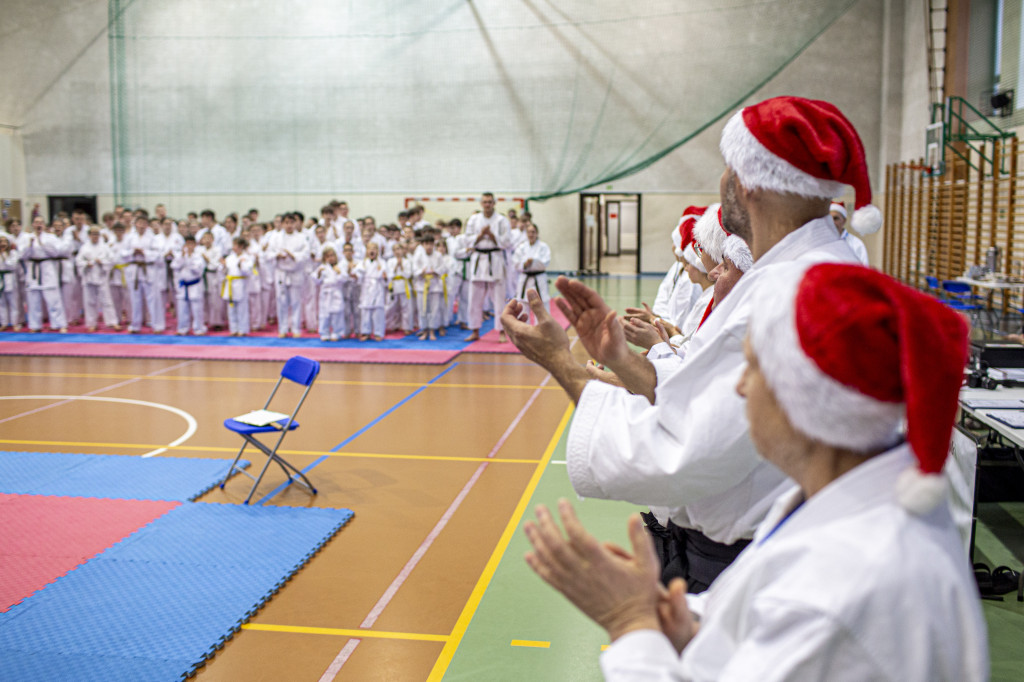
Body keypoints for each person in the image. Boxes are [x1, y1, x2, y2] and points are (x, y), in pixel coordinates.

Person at [522, 263, 988, 681]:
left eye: (751, 368)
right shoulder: (836, 502)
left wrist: (630, 620)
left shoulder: (851, 577)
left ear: (799, 397)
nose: (740, 388)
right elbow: (757, 612)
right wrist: (684, 620)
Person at [503, 96, 875, 591]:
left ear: (748, 184)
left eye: (727, 168)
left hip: (748, 563)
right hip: (775, 551)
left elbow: (685, 453)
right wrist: (615, 357)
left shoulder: (786, 294)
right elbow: (694, 392)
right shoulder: (808, 274)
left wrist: (560, 362)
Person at [465, 192, 512, 342]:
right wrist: (480, 235)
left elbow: (507, 242)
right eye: (485, 202)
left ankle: (502, 331)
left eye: (490, 202)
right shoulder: (474, 219)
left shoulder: (501, 220)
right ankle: (475, 330)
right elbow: (467, 241)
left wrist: (492, 236)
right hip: (479, 260)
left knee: (499, 299)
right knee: (474, 299)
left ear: (494, 203)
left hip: (495, 259)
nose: (487, 205)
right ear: (481, 203)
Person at [20, 216, 69, 333]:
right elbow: (22, 255)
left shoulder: (50, 238)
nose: (39, 225)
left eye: (41, 222)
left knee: (53, 299)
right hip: (33, 269)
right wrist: (30, 245)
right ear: (32, 224)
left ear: (44, 225)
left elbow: (56, 252)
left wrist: (42, 243)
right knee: (33, 300)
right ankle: (35, 325)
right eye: (36, 222)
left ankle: (59, 324)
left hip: (47, 267)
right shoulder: (27, 238)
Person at [271, 212, 309, 338]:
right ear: (282, 224)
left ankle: (296, 328)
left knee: (296, 302)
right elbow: (267, 254)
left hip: (295, 272)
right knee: (281, 301)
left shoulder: (302, 238)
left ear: (295, 223)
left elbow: (305, 254)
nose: (289, 225)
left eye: (291, 222)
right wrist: (277, 255)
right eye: (286, 223)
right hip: (281, 272)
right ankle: (282, 328)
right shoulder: (275, 237)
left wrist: (293, 255)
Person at [75, 225, 120, 331]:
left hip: (101, 276)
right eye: (93, 234)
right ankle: (92, 323)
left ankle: (112, 322)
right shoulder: (84, 247)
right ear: (89, 235)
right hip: (89, 277)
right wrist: (86, 264)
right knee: (90, 301)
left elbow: (112, 260)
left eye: (97, 234)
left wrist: (102, 262)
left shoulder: (105, 247)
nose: (95, 236)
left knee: (107, 300)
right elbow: (78, 261)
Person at [171, 235, 206, 335]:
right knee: (182, 308)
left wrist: (189, 261)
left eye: (192, 244)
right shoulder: (180, 255)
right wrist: (182, 257)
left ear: (195, 245)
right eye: (187, 244)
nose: (189, 246)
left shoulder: (199, 257)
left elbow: (198, 271)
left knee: (197, 309)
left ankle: (198, 329)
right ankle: (182, 328)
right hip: (183, 285)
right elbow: (174, 266)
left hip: (195, 285)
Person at [412, 234, 445, 341]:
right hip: (422, 285)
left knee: (434, 310)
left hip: (435, 285)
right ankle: (424, 330)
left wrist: (435, 271)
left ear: (434, 244)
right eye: (426, 244)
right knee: (422, 309)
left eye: (431, 244)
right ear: (422, 245)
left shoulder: (438, 255)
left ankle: (432, 331)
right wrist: (421, 272)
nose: (429, 246)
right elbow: (414, 270)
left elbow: (443, 269)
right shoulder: (418, 256)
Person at [512, 223, 551, 308]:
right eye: (529, 232)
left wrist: (533, 262)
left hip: (539, 278)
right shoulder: (521, 247)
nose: (531, 234)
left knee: (542, 305)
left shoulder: (543, 247)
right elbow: (515, 262)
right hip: (525, 278)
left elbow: (545, 263)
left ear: (537, 233)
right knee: (523, 306)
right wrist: (525, 264)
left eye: (533, 232)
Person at [312, 245, 347, 341]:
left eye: (332, 255)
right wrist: (318, 273)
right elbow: (316, 281)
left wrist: (339, 272)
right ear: (325, 258)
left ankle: (337, 332)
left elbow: (344, 279)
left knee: (337, 314)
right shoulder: (322, 267)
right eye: (328, 256)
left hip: (336, 292)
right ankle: (324, 333)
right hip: (325, 293)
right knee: (324, 314)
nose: (331, 258)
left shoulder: (340, 267)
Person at [355, 242, 387, 341]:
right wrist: (355, 276)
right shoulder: (362, 263)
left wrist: (385, 278)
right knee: (365, 312)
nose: (372, 250)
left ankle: (378, 333)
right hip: (367, 288)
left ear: (378, 251)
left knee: (378, 312)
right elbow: (357, 274)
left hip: (378, 287)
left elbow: (387, 276)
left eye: (374, 248)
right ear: (367, 250)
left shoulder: (382, 262)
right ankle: (365, 332)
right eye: (370, 248)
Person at [221, 236, 252, 336]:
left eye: (236, 245)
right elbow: (224, 272)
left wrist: (240, 265)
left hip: (241, 284)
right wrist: (224, 266)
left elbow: (247, 271)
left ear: (241, 246)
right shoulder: (230, 258)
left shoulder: (247, 257)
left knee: (242, 309)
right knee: (231, 309)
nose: (234, 247)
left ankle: (242, 330)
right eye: (233, 245)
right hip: (230, 284)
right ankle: (233, 329)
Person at [830, 199, 871, 265]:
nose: (832, 222)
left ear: (844, 220)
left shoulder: (856, 244)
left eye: (836, 218)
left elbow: (863, 269)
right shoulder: (820, 242)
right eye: (829, 219)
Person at [0, 234, 20, 330]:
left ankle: (15, 323)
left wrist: (4, 256)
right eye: (1, 242)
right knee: (1, 303)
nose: (2, 244)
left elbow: (13, 266)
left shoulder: (13, 253)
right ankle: (4, 323)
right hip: (0, 278)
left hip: (10, 278)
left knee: (13, 303)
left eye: (4, 242)